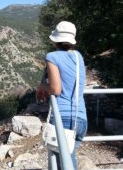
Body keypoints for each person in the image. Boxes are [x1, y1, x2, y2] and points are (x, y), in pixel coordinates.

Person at [45, 21, 87, 170]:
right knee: (68, 158)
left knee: (60, 162)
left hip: (62, 118)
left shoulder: (52, 56)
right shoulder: (78, 56)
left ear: (55, 39)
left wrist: (44, 88)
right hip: (80, 118)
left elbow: (56, 89)